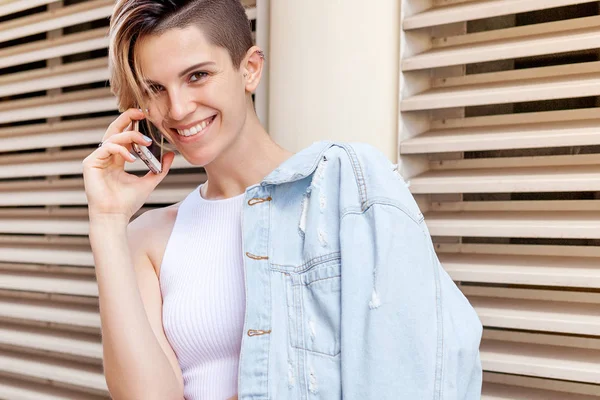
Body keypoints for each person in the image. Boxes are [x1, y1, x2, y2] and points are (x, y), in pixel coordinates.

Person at [82, 0, 483, 399]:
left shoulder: (347, 186)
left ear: (250, 70)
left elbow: (417, 374)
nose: (178, 108)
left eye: (198, 75)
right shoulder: (147, 239)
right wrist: (107, 219)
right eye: (156, 89)